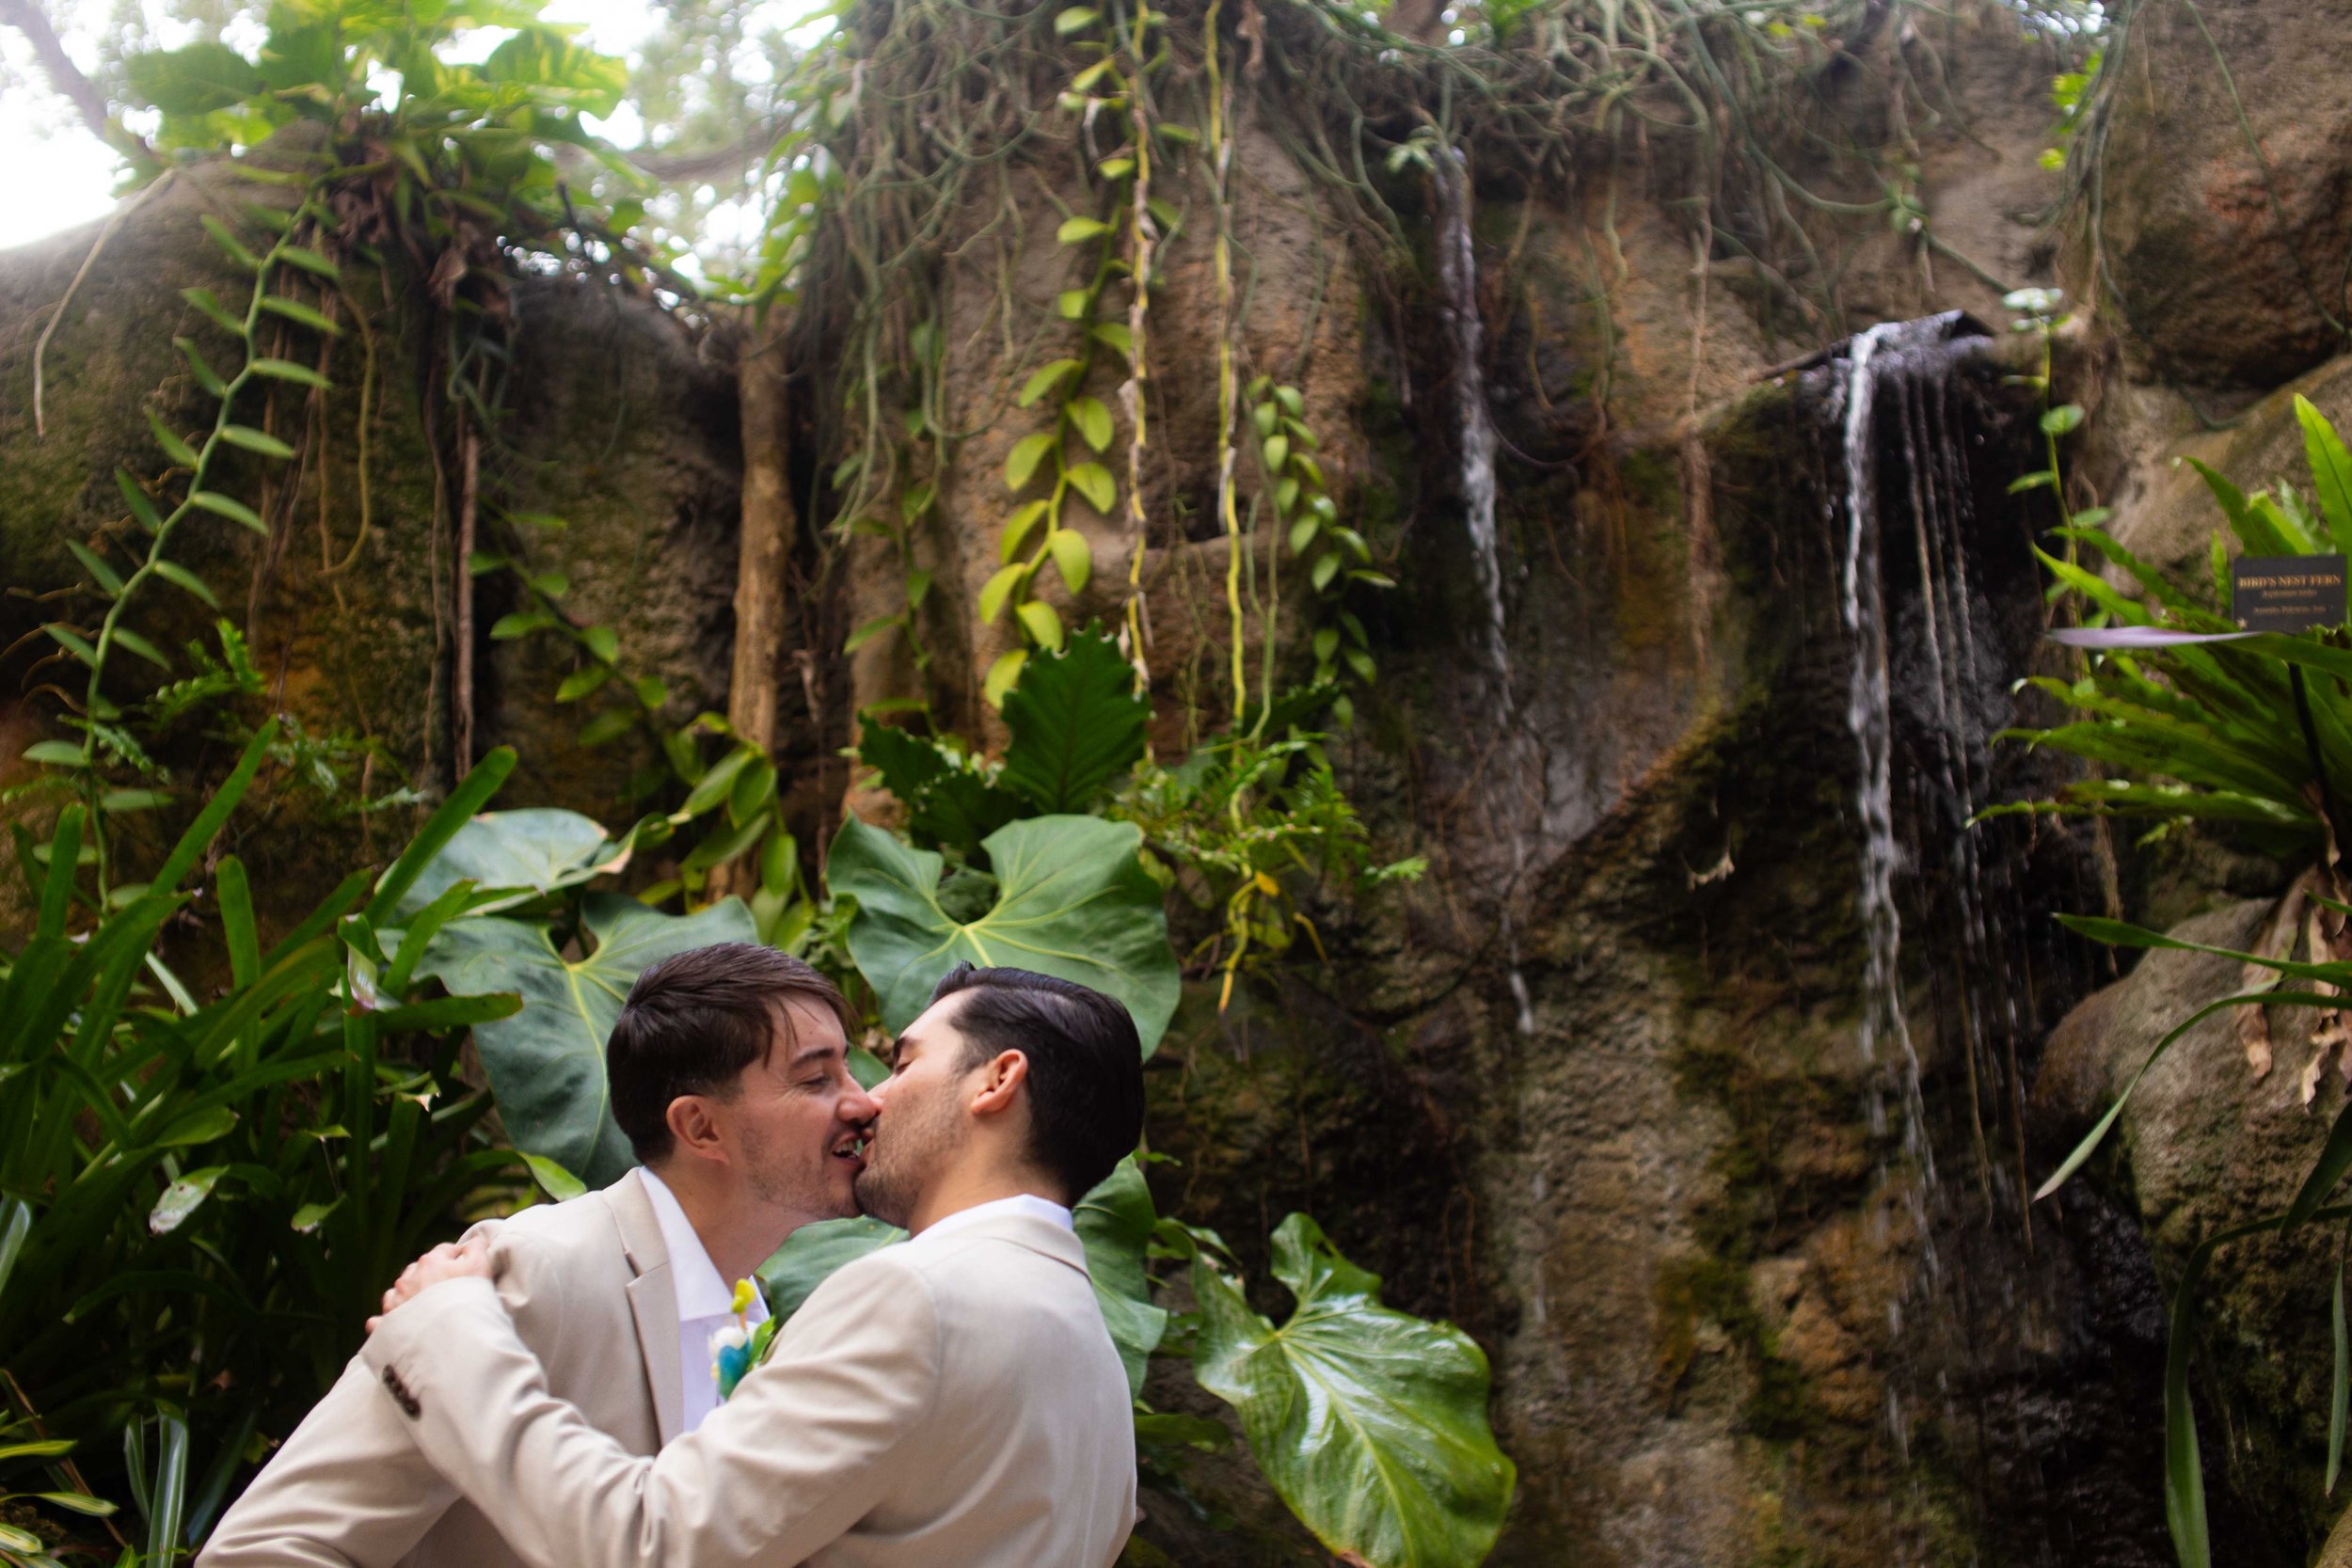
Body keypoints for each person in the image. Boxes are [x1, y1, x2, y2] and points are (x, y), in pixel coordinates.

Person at [361, 963, 1144, 1568]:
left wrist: (448, 1338)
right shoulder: (1098, 1367)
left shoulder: (915, 1297)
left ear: (997, 1080)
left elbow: (652, 1544)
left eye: (902, 1064)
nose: (872, 1099)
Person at [199, 944, 874, 1568]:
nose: (862, 1100)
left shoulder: (751, 1314)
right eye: (816, 1078)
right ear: (700, 1126)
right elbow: (263, 1548)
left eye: (848, 1068)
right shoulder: (529, 1271)